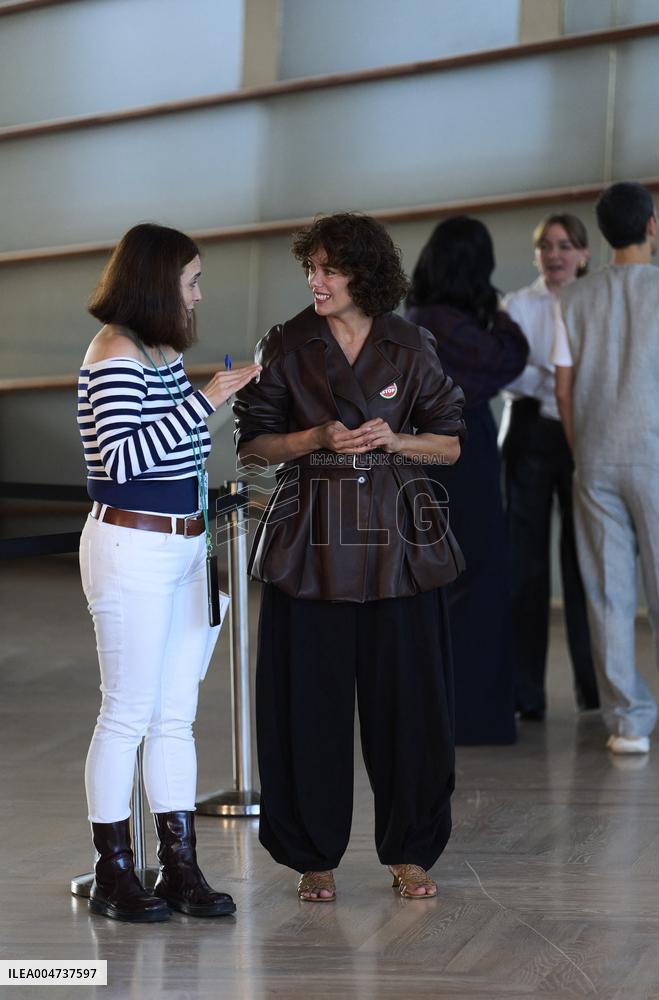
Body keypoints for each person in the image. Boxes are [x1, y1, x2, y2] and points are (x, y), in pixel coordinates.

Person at [233, 213, 466, 901]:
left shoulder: (411, 343)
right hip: (312, 542)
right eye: (311, 267)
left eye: (329, 268)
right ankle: (313, 856)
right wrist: (314, 437)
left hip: (402, 545)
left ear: (365, 274)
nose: (316, 280)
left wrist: (395, 441)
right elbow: (253, 447)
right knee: (308, 706)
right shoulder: (287, 343)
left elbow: (450, 443)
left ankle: (411, 852)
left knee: (412, 708)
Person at [77, 223, 260, 921]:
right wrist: (206, 399)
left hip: (184, 546)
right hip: (133, 547)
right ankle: (113, 871)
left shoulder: (155, 351)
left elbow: (175, 448)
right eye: (192, 280)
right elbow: (123, 464)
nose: (198, 294)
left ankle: (178, 867)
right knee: (126, 713)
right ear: (158, 282)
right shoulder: (115, 351)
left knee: (173, 716)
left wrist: (215, 401)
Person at [405, 216, 529, 744]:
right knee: (482, 576)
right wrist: (500, 311)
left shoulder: (415, 318)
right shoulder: (453, 324)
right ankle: (476, 715)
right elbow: (511, 358)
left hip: (424, 454)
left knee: (437, 577)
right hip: (466, 450)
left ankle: (433, 710)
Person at [553, 182, 659, 755]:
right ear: (651, 226)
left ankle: (628, 722)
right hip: (658, 453)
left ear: (602, 235)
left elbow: (564, 390)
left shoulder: (572, 299)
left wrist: (582, 449)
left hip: (593, 454)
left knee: (608, 591)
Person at [500, 214, 599, 720]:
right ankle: (524, 694)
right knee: (525, 568)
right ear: (536, 255)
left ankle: (594, 689)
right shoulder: (516, 305)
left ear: (584, 254)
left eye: (565, 246)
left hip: (587, 433)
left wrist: (548, 372)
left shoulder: (598, 301)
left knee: (585, 562)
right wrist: (553, 376)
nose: (555, 255)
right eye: (546, 246)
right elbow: (510, 373)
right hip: (531, 433)